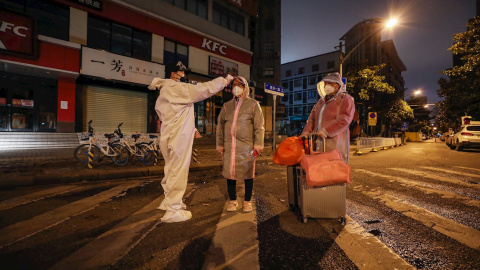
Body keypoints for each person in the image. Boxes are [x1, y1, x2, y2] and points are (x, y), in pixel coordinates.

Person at [148, 61, 234, 223]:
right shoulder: (175, 88)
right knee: (178, 170)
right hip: (178, 136)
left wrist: (192, 129)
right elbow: (202, 89)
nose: (184, 75)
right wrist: (224, 81)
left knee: (171, 169)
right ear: (173, 73)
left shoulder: (166, 90)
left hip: (170, 134)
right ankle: (173, 210)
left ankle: (169, 202)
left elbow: (174, 113)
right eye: (181, 72)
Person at [216, 76, 264, 212]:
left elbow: (259, 126)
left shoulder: (253, 104)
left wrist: (258, 145)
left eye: (239, 85)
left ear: (245, 87)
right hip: (229, 146)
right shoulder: (227, 106)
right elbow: (220, 126)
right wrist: (220, 144)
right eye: (234, 85)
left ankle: (247, 201)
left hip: (247, 146)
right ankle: (233, 200)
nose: (236, 87)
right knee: (230, 173)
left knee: (248, 173)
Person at [301, 72, 355, 163]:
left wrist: (327, 131)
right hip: (317, 143)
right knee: (318, 170)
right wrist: (305, 133)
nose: (326, 86)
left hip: (335, 143)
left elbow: (344, 119)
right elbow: (311, 120)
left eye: (330, 83)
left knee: (334, 170)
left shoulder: (345, 98)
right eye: (325, 84)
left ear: (338, 85)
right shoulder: (320, 102)